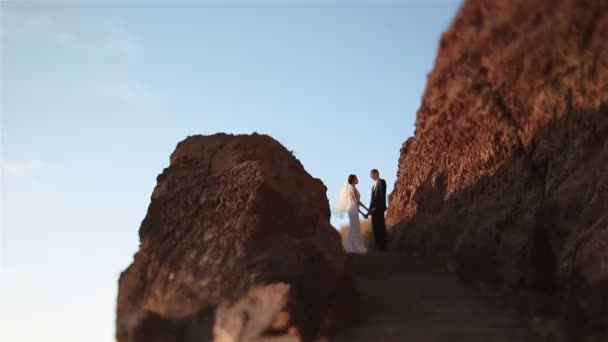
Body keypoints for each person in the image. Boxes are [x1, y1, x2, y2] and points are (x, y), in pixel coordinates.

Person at [337, 174, 368, 254]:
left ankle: (351, 247)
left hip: (352, 208)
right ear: (354, 180)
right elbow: (357, 202)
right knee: (355, 228)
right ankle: (356, 247)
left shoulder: (352, 188)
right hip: (353, 209)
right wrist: (365, 210)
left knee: (353, 228)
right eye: (357, 178)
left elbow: (357, 202)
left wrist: (365, 210)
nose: (358, 179)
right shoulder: (352, 188)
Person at [368, 169, 388, 251]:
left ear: (376, 173)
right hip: (373, 210)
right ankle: (378, 246)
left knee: (381, 226)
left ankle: (383, 246)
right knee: (375, 227)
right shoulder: (373, 186)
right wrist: (370, 210)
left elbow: (381, 195)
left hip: (379, 208)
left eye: (371, 174)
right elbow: (372, 199)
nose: (370, 176)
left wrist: (376, 206)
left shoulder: (382, 182)